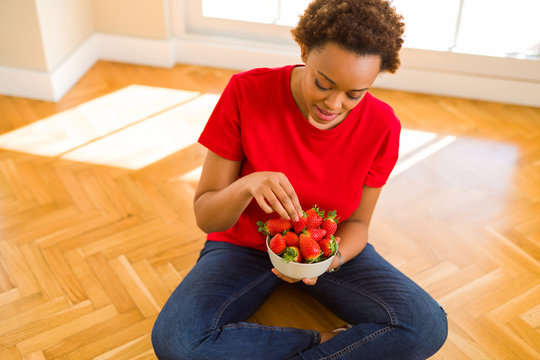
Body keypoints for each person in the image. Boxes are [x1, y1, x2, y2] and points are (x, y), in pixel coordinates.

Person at [151, 0, 448, 359]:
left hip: (326, 249)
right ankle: (325, 344)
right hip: (243, 248)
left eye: (355, 94)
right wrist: (248, 184)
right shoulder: (247, 92)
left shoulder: (383, 125)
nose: (334, 105)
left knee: (427, 324)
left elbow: (357, 224)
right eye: (324, 83)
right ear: (305, 51)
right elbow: (207, 216)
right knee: (178, 343)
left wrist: (327, 262)